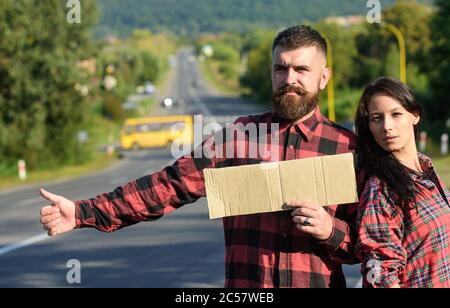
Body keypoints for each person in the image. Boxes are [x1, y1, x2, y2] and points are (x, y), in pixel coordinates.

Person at [39, 25, 358, 288]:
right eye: (281, 68)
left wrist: (331, 229)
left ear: (324, 77)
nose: (290, 79)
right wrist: (82, 213)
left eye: (302, 69)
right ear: (272, 72)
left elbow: (369, 244)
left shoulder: (347, 148)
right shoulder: (237, 138)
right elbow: (166, 186)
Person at [354, 77, 450, 288]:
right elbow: (378, 272)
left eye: (396, 114)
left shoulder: (426, 170)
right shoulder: (381, 188)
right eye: (377, 118)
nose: (387, 126)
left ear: (415, 115)